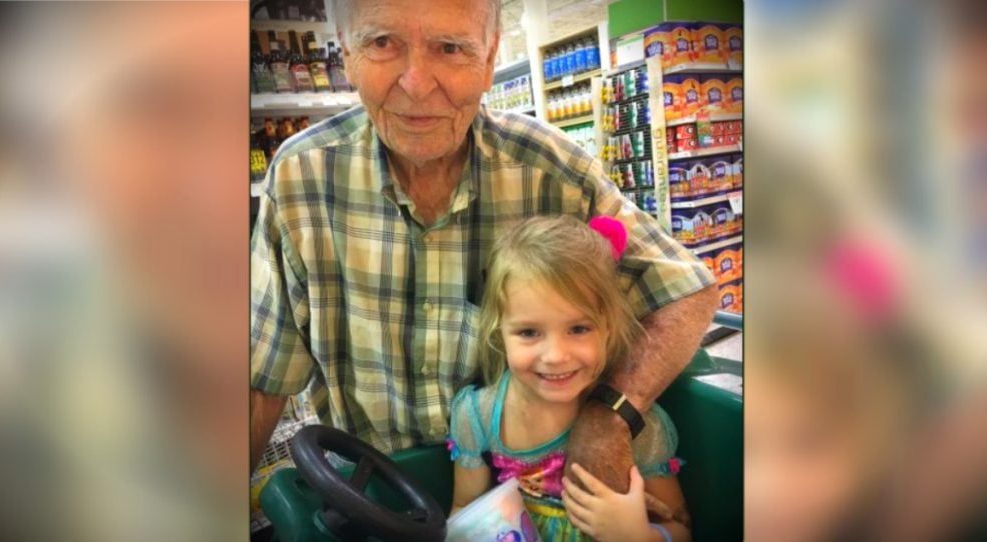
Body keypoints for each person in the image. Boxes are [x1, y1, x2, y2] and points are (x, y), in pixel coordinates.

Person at [250, 0, 718, 496]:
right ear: (345, 54)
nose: (416, 82)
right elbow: (263, 377)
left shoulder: (555, 171)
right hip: (372, 496)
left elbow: (686, 291)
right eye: (382, 43)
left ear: (490, 58)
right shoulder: (302, 177)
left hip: (531, 501)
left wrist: (612, 413)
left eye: (450, 48)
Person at [447, 215, 691, 542]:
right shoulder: (476, 416)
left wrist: (635, 534)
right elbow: (465, 509)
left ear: (607, 328)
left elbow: (681, 526)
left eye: (578, 329)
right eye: (529, 332)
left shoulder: (637, 427)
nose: (556, 356)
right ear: (498, 330)